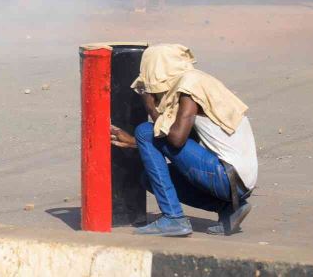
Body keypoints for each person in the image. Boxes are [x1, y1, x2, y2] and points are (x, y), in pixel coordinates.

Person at [110, 44, 257, 237]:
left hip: (226, 176)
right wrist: (135, 143)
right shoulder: (198, 80)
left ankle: (173, 218)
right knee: (148, 177)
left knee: (145, 131)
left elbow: (177, 140)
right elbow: (188, 141)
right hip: (237, 182)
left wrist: (150, 108)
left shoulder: (190, 87)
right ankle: (229, 208)